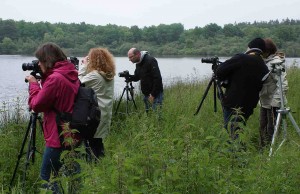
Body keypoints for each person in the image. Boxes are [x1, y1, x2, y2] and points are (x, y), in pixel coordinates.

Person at [25, 42, 80, 192]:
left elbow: (36, 105)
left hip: (57, 136)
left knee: (47, 178)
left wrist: (34, 84)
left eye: (40, 61)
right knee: (73, 176)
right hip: (72, 133)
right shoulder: (70, 73)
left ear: (47, 60)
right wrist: (45, 77)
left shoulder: (55, 79)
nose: (39, 64)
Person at [216, 38, 269, 139]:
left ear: (250, 48)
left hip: (233, 103)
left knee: (230, 131)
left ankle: (234, 153)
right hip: (249, 105)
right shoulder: (263, 66)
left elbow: (219, 71)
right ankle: (239, 150)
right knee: (239, 130)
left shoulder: (241, 58)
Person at [78, 47, 115, 159]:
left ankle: (94, 166)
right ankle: (101, 164)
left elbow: (78, 82)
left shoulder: (95, 75)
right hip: (105, 111)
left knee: (90, 142)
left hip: (95, 113)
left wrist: (83, 66)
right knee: (97, 141)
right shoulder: (109, 74)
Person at [259, 38, 288, 147]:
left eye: (262, 51)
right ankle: (263, 151)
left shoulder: (276, 62)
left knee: (272, 129)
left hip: (274, 103)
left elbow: (283, 85)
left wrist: (275, 103)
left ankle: (273, 152)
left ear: (268, 51)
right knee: (262, 127)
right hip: (264, 101)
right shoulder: (263, 61)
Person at [127, 48, 163, 112]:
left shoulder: (150, 60)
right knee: (149, 116)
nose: (129, 60)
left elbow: (158, 78)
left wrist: (153, 94)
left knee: (157, 117)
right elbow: (137, 77)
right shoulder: (138, 63)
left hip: (155, 94)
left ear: (137, 54)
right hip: (146, 94)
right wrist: (128, 76)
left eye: (131, 57)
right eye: (129, 58)